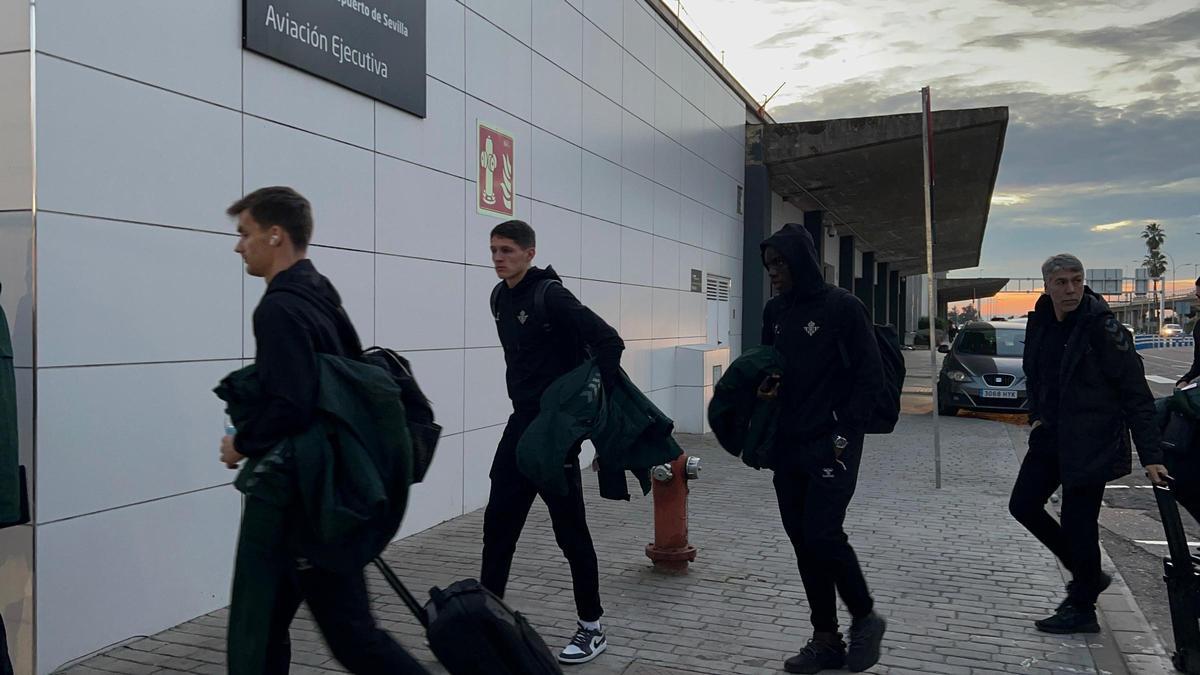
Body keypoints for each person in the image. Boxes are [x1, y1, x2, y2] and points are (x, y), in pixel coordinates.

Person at [220, 186, 428, 674]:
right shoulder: (319, 293)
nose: (238, 246)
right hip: (323, 489)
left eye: (244, 234)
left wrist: (240, 444)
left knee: (354, 639)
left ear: (275, 235)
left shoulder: (278, 309)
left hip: (310, 504)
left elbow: (292, 403)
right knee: (267, 629)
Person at [480, 219, 624, 665]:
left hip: (554, 435)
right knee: (497, 529)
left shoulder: (551, 296)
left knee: (570, 532)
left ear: (529, 252)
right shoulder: (499, 298)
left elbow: (609, 343)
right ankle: (487, 621)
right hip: (519, 427)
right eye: (493, 250)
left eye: (507, 250)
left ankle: (591, 628)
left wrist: (580, 414)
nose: (499, 258)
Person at [1010, 253, 1168, 634]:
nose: (1070, 289)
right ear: (1046, 285)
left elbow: (1135, 391)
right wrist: (1037, 415)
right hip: (1052, 436)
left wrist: (1151, 456)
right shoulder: (1041, 321)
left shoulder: (1102, 327)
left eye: (1076, 281)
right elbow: (1034, 372)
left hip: (1092, 440)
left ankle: (1082, 607)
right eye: (1061, 282)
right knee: (1023, 505)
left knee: (1079, 524)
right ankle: (1089, 575)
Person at [758, 223, 887, 674]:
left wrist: (842, 429)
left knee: (823, 535)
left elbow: (871, 377)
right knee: (803, 543)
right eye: (769, 264)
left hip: (833, 445)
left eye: (781, 263)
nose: (774, 272)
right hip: (788, 448)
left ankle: (866, 617)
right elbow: (767, 369)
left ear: (802, 261)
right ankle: (825, 638)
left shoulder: (842, 308)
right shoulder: (774, 311)